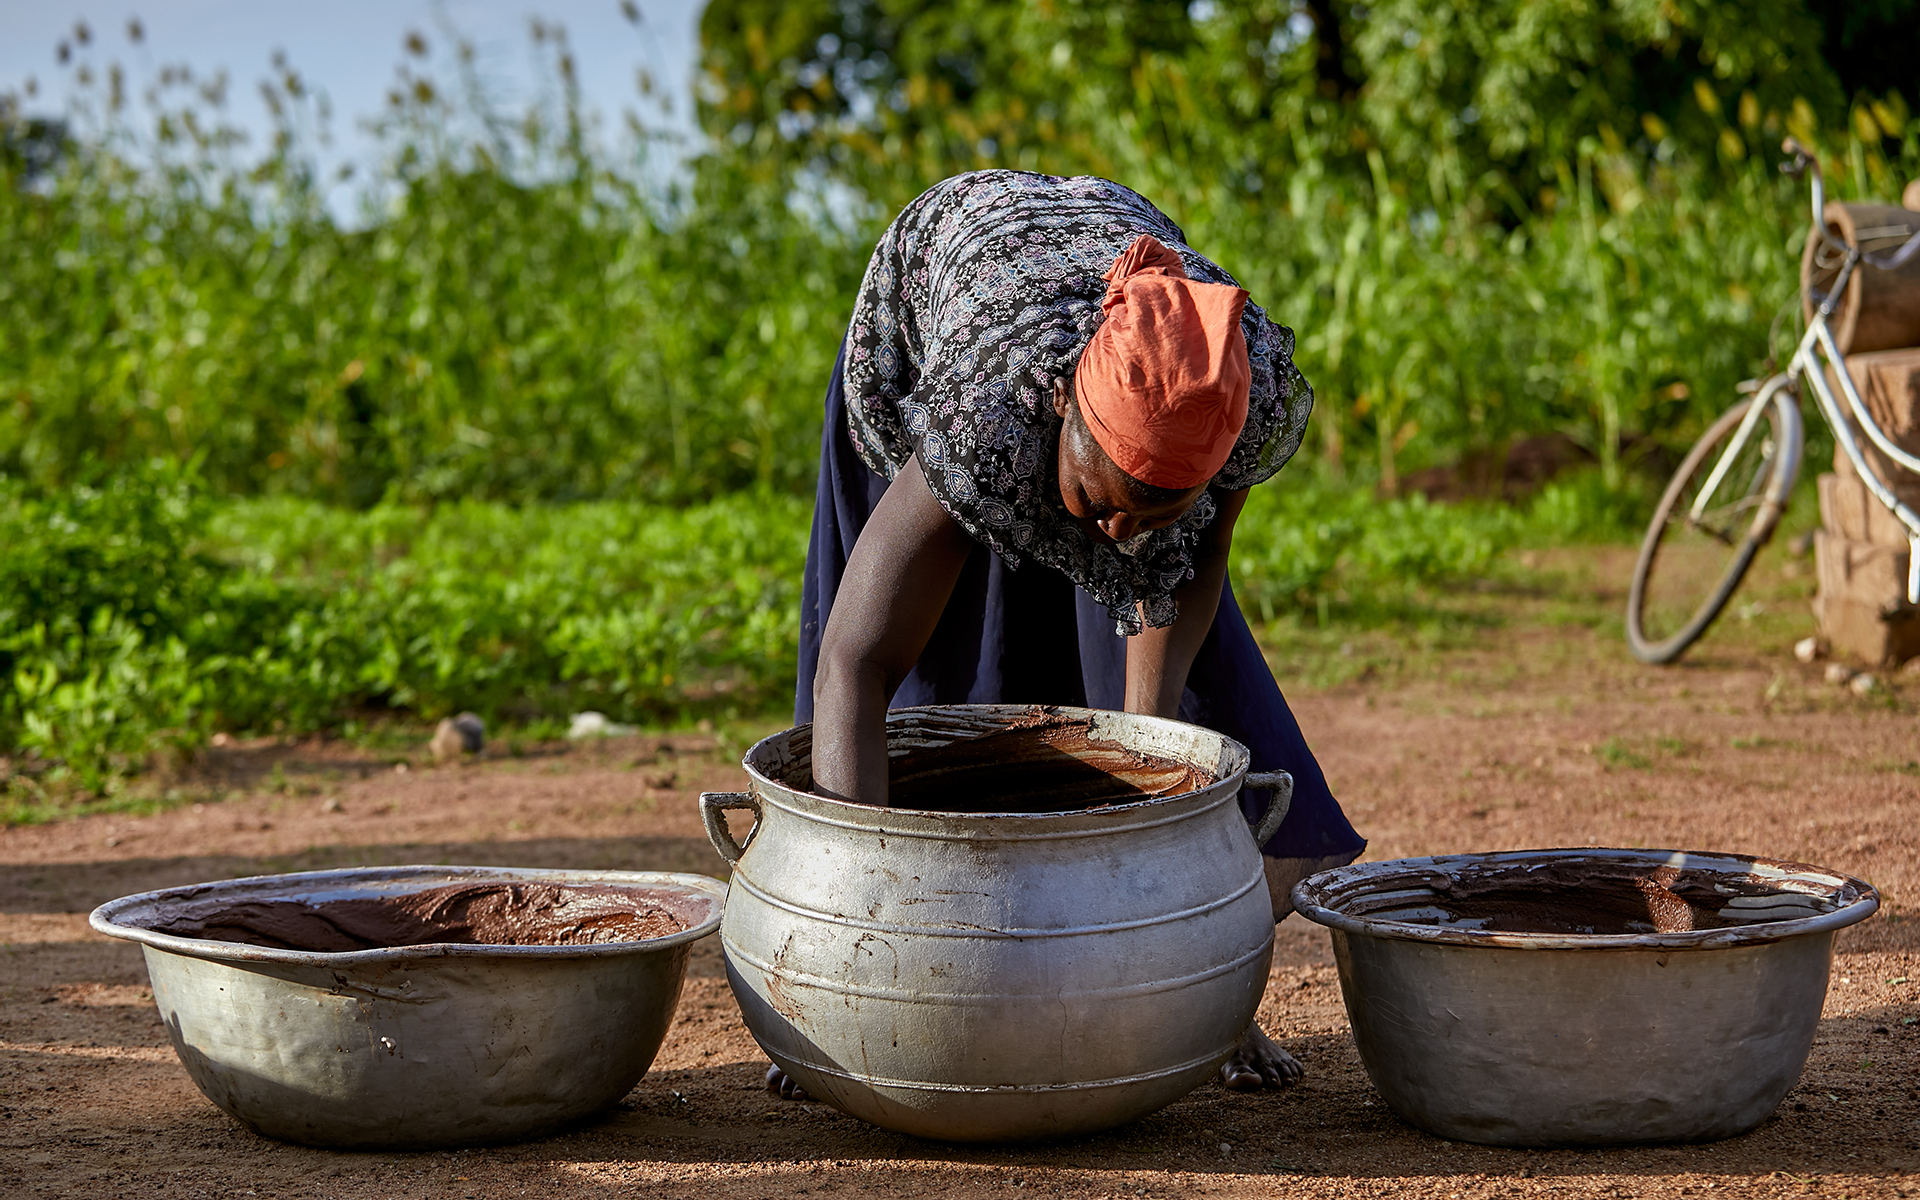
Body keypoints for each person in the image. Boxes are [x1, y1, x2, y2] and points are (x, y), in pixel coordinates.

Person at [784, 170, 1365, 1098]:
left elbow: (1189, 575)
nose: (1119, 537)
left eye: (1154, 512)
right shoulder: (984, 413)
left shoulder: (1228, 383)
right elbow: (858, 664)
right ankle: (846, 1005)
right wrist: (860, 944)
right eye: (1104, 503)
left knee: (1180, 723)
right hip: (938, 315)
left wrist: (1151, 776)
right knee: (931, 710)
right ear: (1061, 415)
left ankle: (1198, 992)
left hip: (1109, 344)